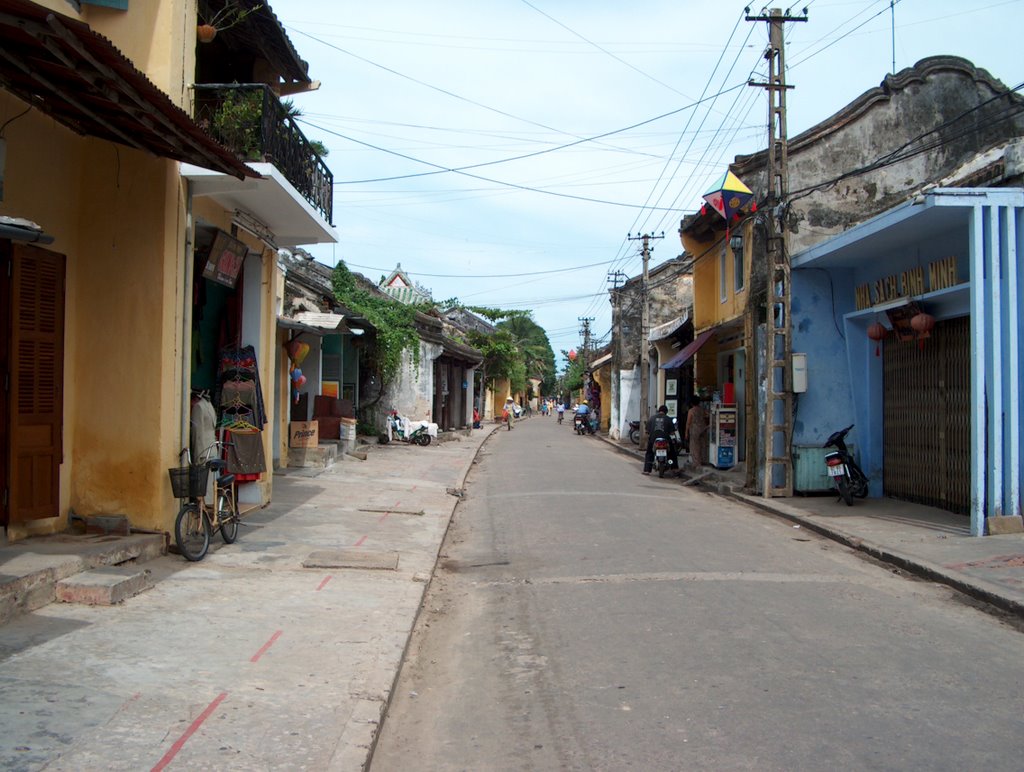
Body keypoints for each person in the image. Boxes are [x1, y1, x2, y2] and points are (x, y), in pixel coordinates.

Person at [643, 405, 679, 475]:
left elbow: (647, 431)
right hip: (665, 440)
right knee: (672, 453)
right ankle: (674, 468)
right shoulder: (668, 419)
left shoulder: (651, 418)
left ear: (659, 411)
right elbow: (672, 432)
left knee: (649, 453)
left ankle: (647, 470)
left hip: (654, 440)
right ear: (666, 412)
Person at [685, 396, 708, 466]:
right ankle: (704, 460)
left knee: (694, 446)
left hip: (694, 429)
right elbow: (708, 415)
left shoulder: (691, 411)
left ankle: (696, 462)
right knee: (703, 445)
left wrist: (686, 432)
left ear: (691, 403)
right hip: (703, 428)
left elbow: (688, 422)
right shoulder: (702, 410)